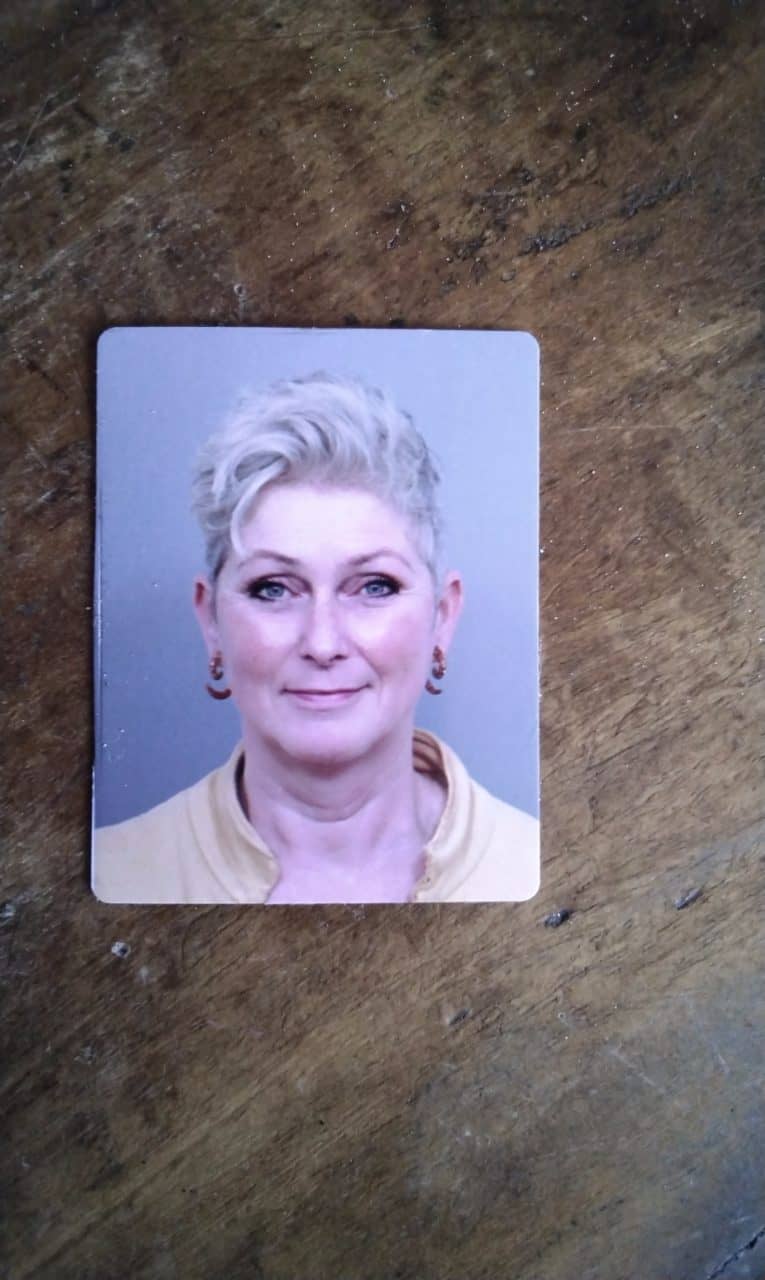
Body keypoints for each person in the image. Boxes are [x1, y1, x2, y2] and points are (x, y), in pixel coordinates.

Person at [94, 372, 539, 905]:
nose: (323, 644)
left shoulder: (540, 866)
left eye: (374, 586)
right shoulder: (115, 874)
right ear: (210, 620)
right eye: (273, 589)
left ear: (442, 617)